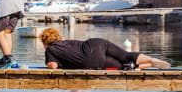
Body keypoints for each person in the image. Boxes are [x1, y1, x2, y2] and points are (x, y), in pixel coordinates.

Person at [39, 28, 171, 70]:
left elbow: (53, 66)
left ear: (45, 41)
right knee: (126, 56)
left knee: (122, 67)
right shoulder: (66, 42)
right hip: (96, 43)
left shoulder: (50, 49)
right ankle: (152, 61)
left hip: (91, 62)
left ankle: (146, 65)